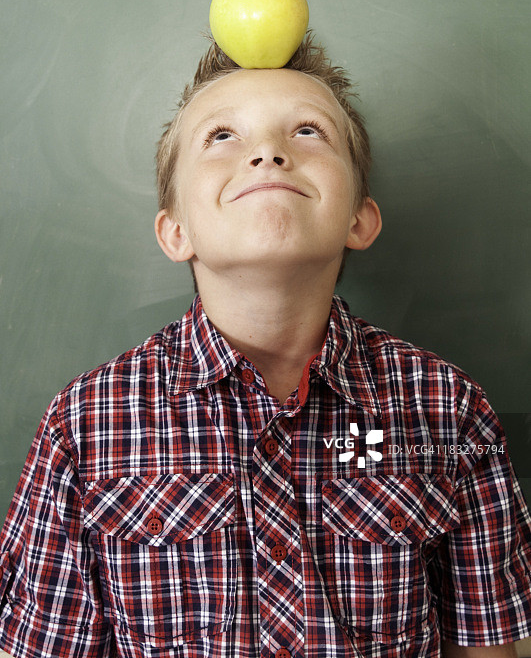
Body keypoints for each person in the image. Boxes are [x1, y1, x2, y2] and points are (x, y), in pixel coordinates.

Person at [0, 33, 530, 658]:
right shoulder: (85, 423)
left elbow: (490, 645)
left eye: (307, 131)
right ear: (176, 231)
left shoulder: (448, 408)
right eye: (222, 136)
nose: (268, 155)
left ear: (360, 218)